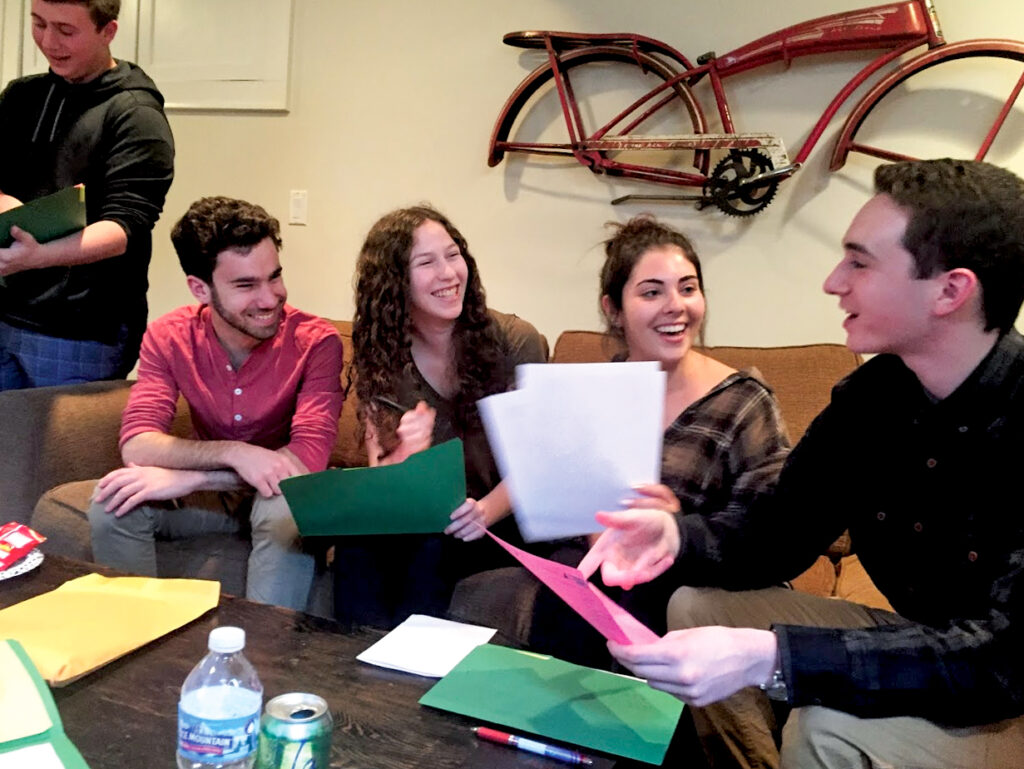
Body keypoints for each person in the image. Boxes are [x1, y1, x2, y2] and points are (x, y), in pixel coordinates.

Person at [579, 159, 1024, 768]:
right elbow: (778, 534)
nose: (833, 282)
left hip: (1009, 685)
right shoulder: (874, 398)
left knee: (825, 726)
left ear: (951, 290)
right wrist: (673, 534)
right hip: (931, 643)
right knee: (694, 608)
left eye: (860, 262)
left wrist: (776, 657)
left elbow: (1001, 657)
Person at [83, 197, 343, 611]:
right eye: (245, 285)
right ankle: (138, 648)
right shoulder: (169, 337)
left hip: (285, 494)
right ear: (199, 289)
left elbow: (305, 463)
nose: (270, 297)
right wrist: (234, 455)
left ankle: (265, 662)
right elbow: (137, 443)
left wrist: (195, 479)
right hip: (220, 498)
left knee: (281, 509)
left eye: (274, 277)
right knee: (111, 504)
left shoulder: (316, 342)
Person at [333, 204, 548, 628]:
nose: (449, 273)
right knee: (357, 537)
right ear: (395, 283)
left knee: (430, 544)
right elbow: (382, 476)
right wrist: (405, 455)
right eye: (426, 263)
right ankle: (352, 675)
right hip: (433, 517)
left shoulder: (515, 342)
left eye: (453, 255)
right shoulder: (383, 354)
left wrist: (485, 510)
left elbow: (541, 462)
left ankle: (409, 685)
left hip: (503, 520)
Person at [0, 0, 175, 389]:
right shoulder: (20, 96)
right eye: (39, 24)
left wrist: (38, 257)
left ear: (108, 31)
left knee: (62, 451)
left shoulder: (135, 113)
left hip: (79, 329)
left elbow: (123, 228)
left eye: (66, 30)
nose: (48, 41)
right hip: (7, 310)